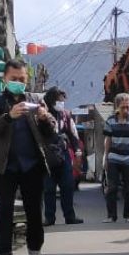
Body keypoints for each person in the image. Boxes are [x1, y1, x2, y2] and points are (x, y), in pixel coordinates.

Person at [0, 59, 57, 255]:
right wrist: (9, 116)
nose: (18, 82)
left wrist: (45, 118)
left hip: (32, 165)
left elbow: (52, 130)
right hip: (5, 167)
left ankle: (35, 249)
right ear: (4, 79)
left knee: (34, 209)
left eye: (22, 79)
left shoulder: (36, 101)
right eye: (14, 79)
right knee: (4, 211)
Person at [42, 87, 84, 226]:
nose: (61, 103)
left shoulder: (65, 115)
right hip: (47, 156)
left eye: (63, 100)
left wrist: (77, 151)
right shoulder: (43, 114)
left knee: (67, 186)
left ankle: (70, 216)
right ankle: (49, 218)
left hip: (63, 156)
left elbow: (72, 135)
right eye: (59, 100)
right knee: (49, 188)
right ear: (51, 100)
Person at [102, 92, 129, 223]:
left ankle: (128, 216)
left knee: (128, 189)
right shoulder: (110, 120)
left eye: (128, 106)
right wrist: (105, 158)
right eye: (123, 106)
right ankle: (111, 216)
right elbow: (107, 140)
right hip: (114, 158)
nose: (126, 109)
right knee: (112, 188)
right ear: (117, 107)